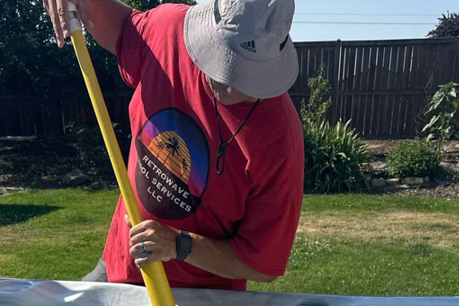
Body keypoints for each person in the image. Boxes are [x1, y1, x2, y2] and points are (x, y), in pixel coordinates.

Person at [45, 0, 304, 290]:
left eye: (246, 72)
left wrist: (180, 245)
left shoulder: (279, 139)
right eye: (224, 61)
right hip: (121, 269)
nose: (231, 87)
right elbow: (111, 23)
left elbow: (261, 262)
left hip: (204, 300)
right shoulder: (168, 32)